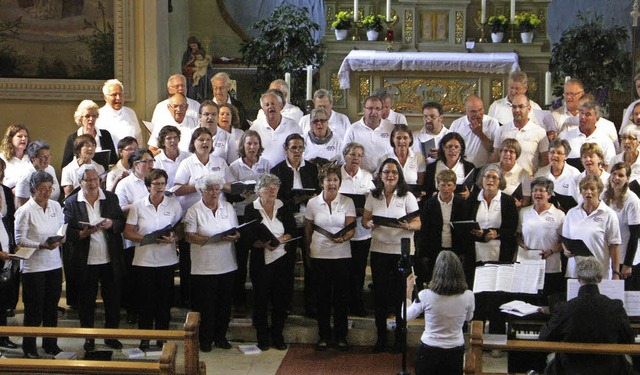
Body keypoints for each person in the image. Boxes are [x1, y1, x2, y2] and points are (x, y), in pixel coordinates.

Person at [63, 165, 126, 352]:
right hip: (86, 259)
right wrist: (82, 233)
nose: (92, 183)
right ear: (80, 183)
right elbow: (66, 230)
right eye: (88, 180)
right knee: (86, 301)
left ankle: (111, 335)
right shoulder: (72, 202)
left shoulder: (110, 198)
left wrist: (111, 223)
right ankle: (88, 337)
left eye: (95, 179)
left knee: (112, 299)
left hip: (109, 257)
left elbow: (121, 223)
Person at [362, 158, 421, 353]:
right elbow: (365, 220)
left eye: (394, 172)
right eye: (386, 172)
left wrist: (407, 226)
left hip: (401, 251)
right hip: (379, 250)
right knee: (380, 296)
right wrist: (369, 224)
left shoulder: (407, 196)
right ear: (380, 175)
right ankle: (381, 338)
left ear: (399, 175)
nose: (390, 175)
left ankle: (399, 339)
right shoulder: (373, 195)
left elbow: (418, 223)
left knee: (399, 296)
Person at [539, 257, 634, 375]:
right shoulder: (615, 306)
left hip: (570, 369)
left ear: (579, 279)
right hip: (609, 369)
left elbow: (545, 337)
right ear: (600, 279)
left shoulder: (565, 308)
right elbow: (629, 339)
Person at [123, 168, 181, 350]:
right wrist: (148, 239)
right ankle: (145, 337)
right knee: (145, 301)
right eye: (156, 184)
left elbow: (180, 228)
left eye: (163, 183)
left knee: (164, 302)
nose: (160, 187)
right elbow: (128, 233)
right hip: (144, 261)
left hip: (167, 260)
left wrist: (174, 238)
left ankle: (162, 337)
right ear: (148, 186)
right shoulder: (138, 206)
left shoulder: (173, 204)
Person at [183, 173, 239, 352]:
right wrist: (211, 239)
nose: (215, 193)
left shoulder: (228, 208)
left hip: (227, 264)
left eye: (217, 189)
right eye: (211, 190)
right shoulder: (194, 210)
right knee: (206, 306)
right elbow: (189, 236)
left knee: (224, 305)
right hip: (204, 267)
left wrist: (235, 236)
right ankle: (205, 340)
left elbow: (237, 232)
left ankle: (220, 337)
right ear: (202, 191)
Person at [304, 164, 356, 351]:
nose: (332, 183)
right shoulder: (312, 203)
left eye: (335, 180)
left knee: (341, 298)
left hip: (342, 255)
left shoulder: (347, 202)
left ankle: (341, 336)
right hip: (319, 254)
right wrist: (309, 250)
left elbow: (352, 229)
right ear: (321, 183)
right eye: (328, 180)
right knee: (322, 298)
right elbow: (308, 230)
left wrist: (343, 238)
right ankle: (323, 336)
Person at [244, 174, 297, 351]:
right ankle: (262, 337)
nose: (272, 190)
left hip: (282, 259)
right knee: (260, 300)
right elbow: (248, 235)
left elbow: (291, 230)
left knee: (280, 300)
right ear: (259, 190)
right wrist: (260, 243)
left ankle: (277, 335)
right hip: (262, 261)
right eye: (268, 187)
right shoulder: (251, 209)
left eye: (275, 187)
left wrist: (281, 239)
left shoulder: (284, 206)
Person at [14, 171, 65, 358]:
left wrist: (60, 239)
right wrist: (41, 245)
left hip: (54, 264)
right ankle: (29, 347)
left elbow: (61, 227)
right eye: (43, 189)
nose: (47, 192)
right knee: (34, 310)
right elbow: (20, 240)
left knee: (52, 308)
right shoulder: (25, 211)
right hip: (33, 267)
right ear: (34, 189)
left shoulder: (56, 206)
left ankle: (51, 344)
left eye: (50, 188)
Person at [270, 133, 320, 317]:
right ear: (286, 149)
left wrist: (310, 197)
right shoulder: (278, 170)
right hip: (287, 223)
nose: (297, 151)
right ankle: (285, 304)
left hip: (308, 221)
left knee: (311, 264)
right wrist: (294, 200)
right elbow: (275, 198)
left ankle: (311, 306)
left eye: (300, 148)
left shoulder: (312, 169)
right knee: (286, 266)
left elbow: (318, 192)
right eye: (294, 148)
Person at [467, 164, 518, 333]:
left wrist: (492, 233)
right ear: (481, 180)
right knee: (478, 297)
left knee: (497, 298)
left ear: (500, 181)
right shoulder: (473, 199)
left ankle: (497, 338)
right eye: (487, 177)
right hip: (476, 256)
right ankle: (477, 339)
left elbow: (511, 230)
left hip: (499, 256)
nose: (490, 180)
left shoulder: (508, 201)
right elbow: (466, 226)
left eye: (494, 177)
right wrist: (482, 235)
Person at [405, 251, 474, 375]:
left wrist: (408, 292)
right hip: (455, 349)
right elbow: (469, 318)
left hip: (429, 349)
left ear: (437, 272)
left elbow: (405, 316)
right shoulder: (468, 295)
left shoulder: (425, 295)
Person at [228, 130, 271, 308]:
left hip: (260, 214)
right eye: (248, 144)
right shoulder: (234, 166)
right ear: (242, 146)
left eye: (255, 144)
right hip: (240, 214)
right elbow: (230, 194)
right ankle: (238, 299)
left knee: (260, 258)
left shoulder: (266, 163)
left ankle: (261, 298)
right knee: (240, 256)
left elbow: (270, 186)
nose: (252, 147)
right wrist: (242, 194)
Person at [339, 143, 375, 316]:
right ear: (344, 155)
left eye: (359, 155)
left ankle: (357, 303)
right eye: (352, 154)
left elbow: (374, 203)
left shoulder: (367, 177)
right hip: (340, 232)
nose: (356, 158)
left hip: (361, 232)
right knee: (342, 271)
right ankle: (341, 304)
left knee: (358, 271)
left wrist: (364, 210)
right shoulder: (336, 175)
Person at [516, 177, 566, 303]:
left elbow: (564, 242)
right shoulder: (524, 212)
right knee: (528, 302)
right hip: (528, 265)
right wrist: (522, 244)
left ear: (549, 194)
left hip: (551, 267)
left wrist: (551, 250)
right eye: (534, 190)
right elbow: (518, 236)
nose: (537, 193)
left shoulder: (559, 215)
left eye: (541, 191)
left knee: (548, 303)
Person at [562, 174, 621, 279]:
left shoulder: (608, 214)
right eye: (585, 188)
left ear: (599, 191)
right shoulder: (571, 213)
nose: (588, 192)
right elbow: (565, 240)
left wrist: (616, 273)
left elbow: (614, 246)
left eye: (592, 189)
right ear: (580, 191)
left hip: (599, 273)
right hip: (575, 272)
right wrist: (566, 250)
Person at [418, 170, 468, 289]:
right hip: (434, 249)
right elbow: (425, 230)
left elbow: (464, 230)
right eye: (443, 185)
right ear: (437, 185)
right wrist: (424, 253)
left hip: (455, 248)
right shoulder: (430, 204)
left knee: (454, 281)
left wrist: (463, 251)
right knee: (436, 281)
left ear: (455, 186)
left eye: (449, 185)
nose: (446, 189)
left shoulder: (461, 204)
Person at [490, 94, 549, 175]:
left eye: (521, 107)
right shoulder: (502, 130)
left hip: (528, 180)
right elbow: (495, 157)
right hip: (505, 180)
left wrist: (536, 178)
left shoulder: (540, 132)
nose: (517, 110)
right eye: (514, 107)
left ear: (529, 109)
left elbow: (546, 161)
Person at [602, 162, 640, 286]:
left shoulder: (632, 200)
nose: (616, 178)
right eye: (614, 174)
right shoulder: (604, 196)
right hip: (608, 256)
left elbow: (635, 235)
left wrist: (628, 264)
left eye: (621, 175)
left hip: (626, 257)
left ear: (627, 179)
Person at [249, 91, 303, 166]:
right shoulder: (255, 127)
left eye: (273, 103)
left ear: (280, 106)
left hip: (286, 171)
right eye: (267, 105)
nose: (270, 107)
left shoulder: (293, 126)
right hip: (262, 172)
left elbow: (301, 149)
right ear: (262, 109)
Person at [559, 99, 616, 171]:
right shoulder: (566, 137)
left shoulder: (605, 140)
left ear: (597, 119)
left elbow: (610, 165)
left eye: (587, 114)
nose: (583, 117)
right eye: (581, 113)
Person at [342, 95, 394, 173]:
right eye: (370, 108)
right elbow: (345, 155)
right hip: (360, 177)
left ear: (382, 111)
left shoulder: (391, 128)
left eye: (377, 109)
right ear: (364, 110)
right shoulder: (352, 129)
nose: (374, 112)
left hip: (385, 176)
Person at [61, 100, 117, 169]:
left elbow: (114, 160)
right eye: (87, 116)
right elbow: (65, 166)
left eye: (94, 116)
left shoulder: (105, 135)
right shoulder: (73, 138)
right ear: (80, 118)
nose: (91, 119)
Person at [0, 158, 19, 349]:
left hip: (6, 246)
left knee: (3, 298)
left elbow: (10, 219)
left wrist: (12, 246)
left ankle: (3, 336)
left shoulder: (5, 190)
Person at [449, 95, 499, 168]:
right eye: (473, 111)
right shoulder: (456, 124)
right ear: (466, 111)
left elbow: (494, 150)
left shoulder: (492, 123)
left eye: (480, 110)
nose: (478, 114)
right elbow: (450, 148)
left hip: (483, 169)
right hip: (461, 168)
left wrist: (480, 134)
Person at [423, 132, 475, 199]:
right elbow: (426, 191)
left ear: (461, 149)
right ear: (443, 147)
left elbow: (474, 192)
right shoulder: (432, 167)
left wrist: (469, 195)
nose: (453, 150)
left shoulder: (469, 167)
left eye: (456, 147)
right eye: (449, 146)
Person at [534, 139, 581, 212]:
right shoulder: (540, 174)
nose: (555, 155)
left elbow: (579, 200)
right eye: (552, 152)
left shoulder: (575, 174)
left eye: (559, 153)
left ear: (566, 156)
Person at [95, 79, 143, 147]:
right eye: (114, 95)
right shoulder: (98, 115)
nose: (118, 98)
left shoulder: (130, 113)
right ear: (105, 97)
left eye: (120, 94)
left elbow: (138, 138)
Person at [15, 140, 60, 207]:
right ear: (33, 158)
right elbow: (20, 205)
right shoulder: (26, 176)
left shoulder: (50, 169)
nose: (47, 159)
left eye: (48, 155)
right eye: (43, 156)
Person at [494, 138, 532, 207]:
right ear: (500, 152)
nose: (507, 154)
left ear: (516, 155)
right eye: (505, 151)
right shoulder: (492, 168)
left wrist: (520, 204)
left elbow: (526, 201)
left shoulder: (524, 174)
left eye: (511, 152)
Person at [199, 100, 238, 165]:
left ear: (217, 117)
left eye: (213, 114)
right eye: (206, 114)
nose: (210, 117)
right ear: (200, 117)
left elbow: (233, 166)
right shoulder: (190, 135)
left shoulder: (229, 138)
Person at [152, 126, 189, 190]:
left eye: (175, 137)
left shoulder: (187, 156)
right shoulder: (157, 161)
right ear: (163, 142)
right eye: (169, 138)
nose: (173, 141)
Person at [0, 124, 31, 190]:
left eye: (26, 136)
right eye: (19, 136)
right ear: (10, 139)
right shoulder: (2, 158)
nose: (24, 139)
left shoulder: (31, 158)